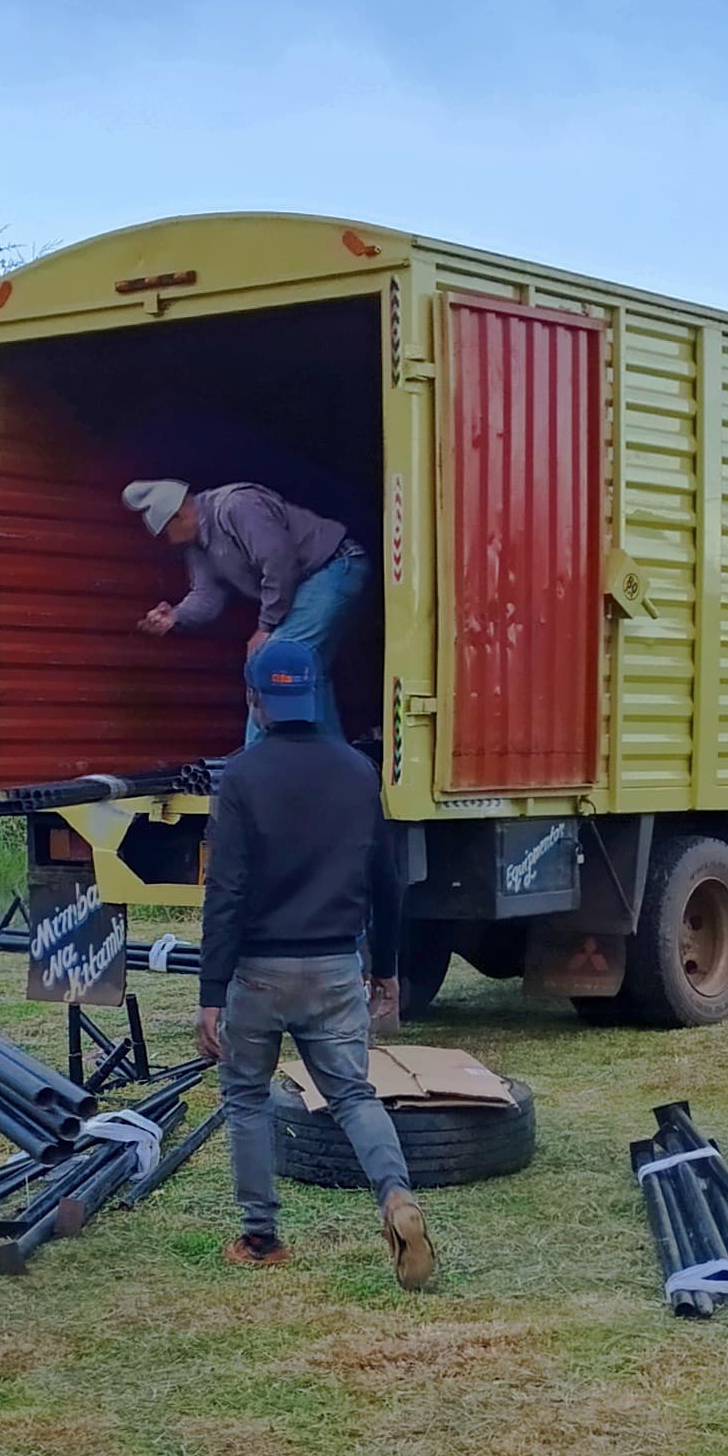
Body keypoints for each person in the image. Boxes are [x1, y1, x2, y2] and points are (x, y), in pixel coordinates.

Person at [198, 635, 437, 1290]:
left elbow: (227, 891)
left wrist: (211, 991)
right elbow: (386, 881)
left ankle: (261, 1239)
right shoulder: (358, 772)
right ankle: (394, 1197)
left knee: (246, 1097)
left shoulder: (243, 775)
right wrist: (385, 965)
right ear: (312, 695)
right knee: (354, 1096)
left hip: (259, 970)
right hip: (335, 966)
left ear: (256, 699)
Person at [124, 475, 374, 741]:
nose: (170, 542)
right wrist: (176, 615)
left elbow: (279, 562)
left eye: (166, 533)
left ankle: (252, 767)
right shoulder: (197, 545)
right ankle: (335, 768)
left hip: (334, 567)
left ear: (179, 515)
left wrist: (265, 627)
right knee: (308, 671)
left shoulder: (236, 505)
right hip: (304, 585)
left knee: (271, 660)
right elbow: (207, 597)